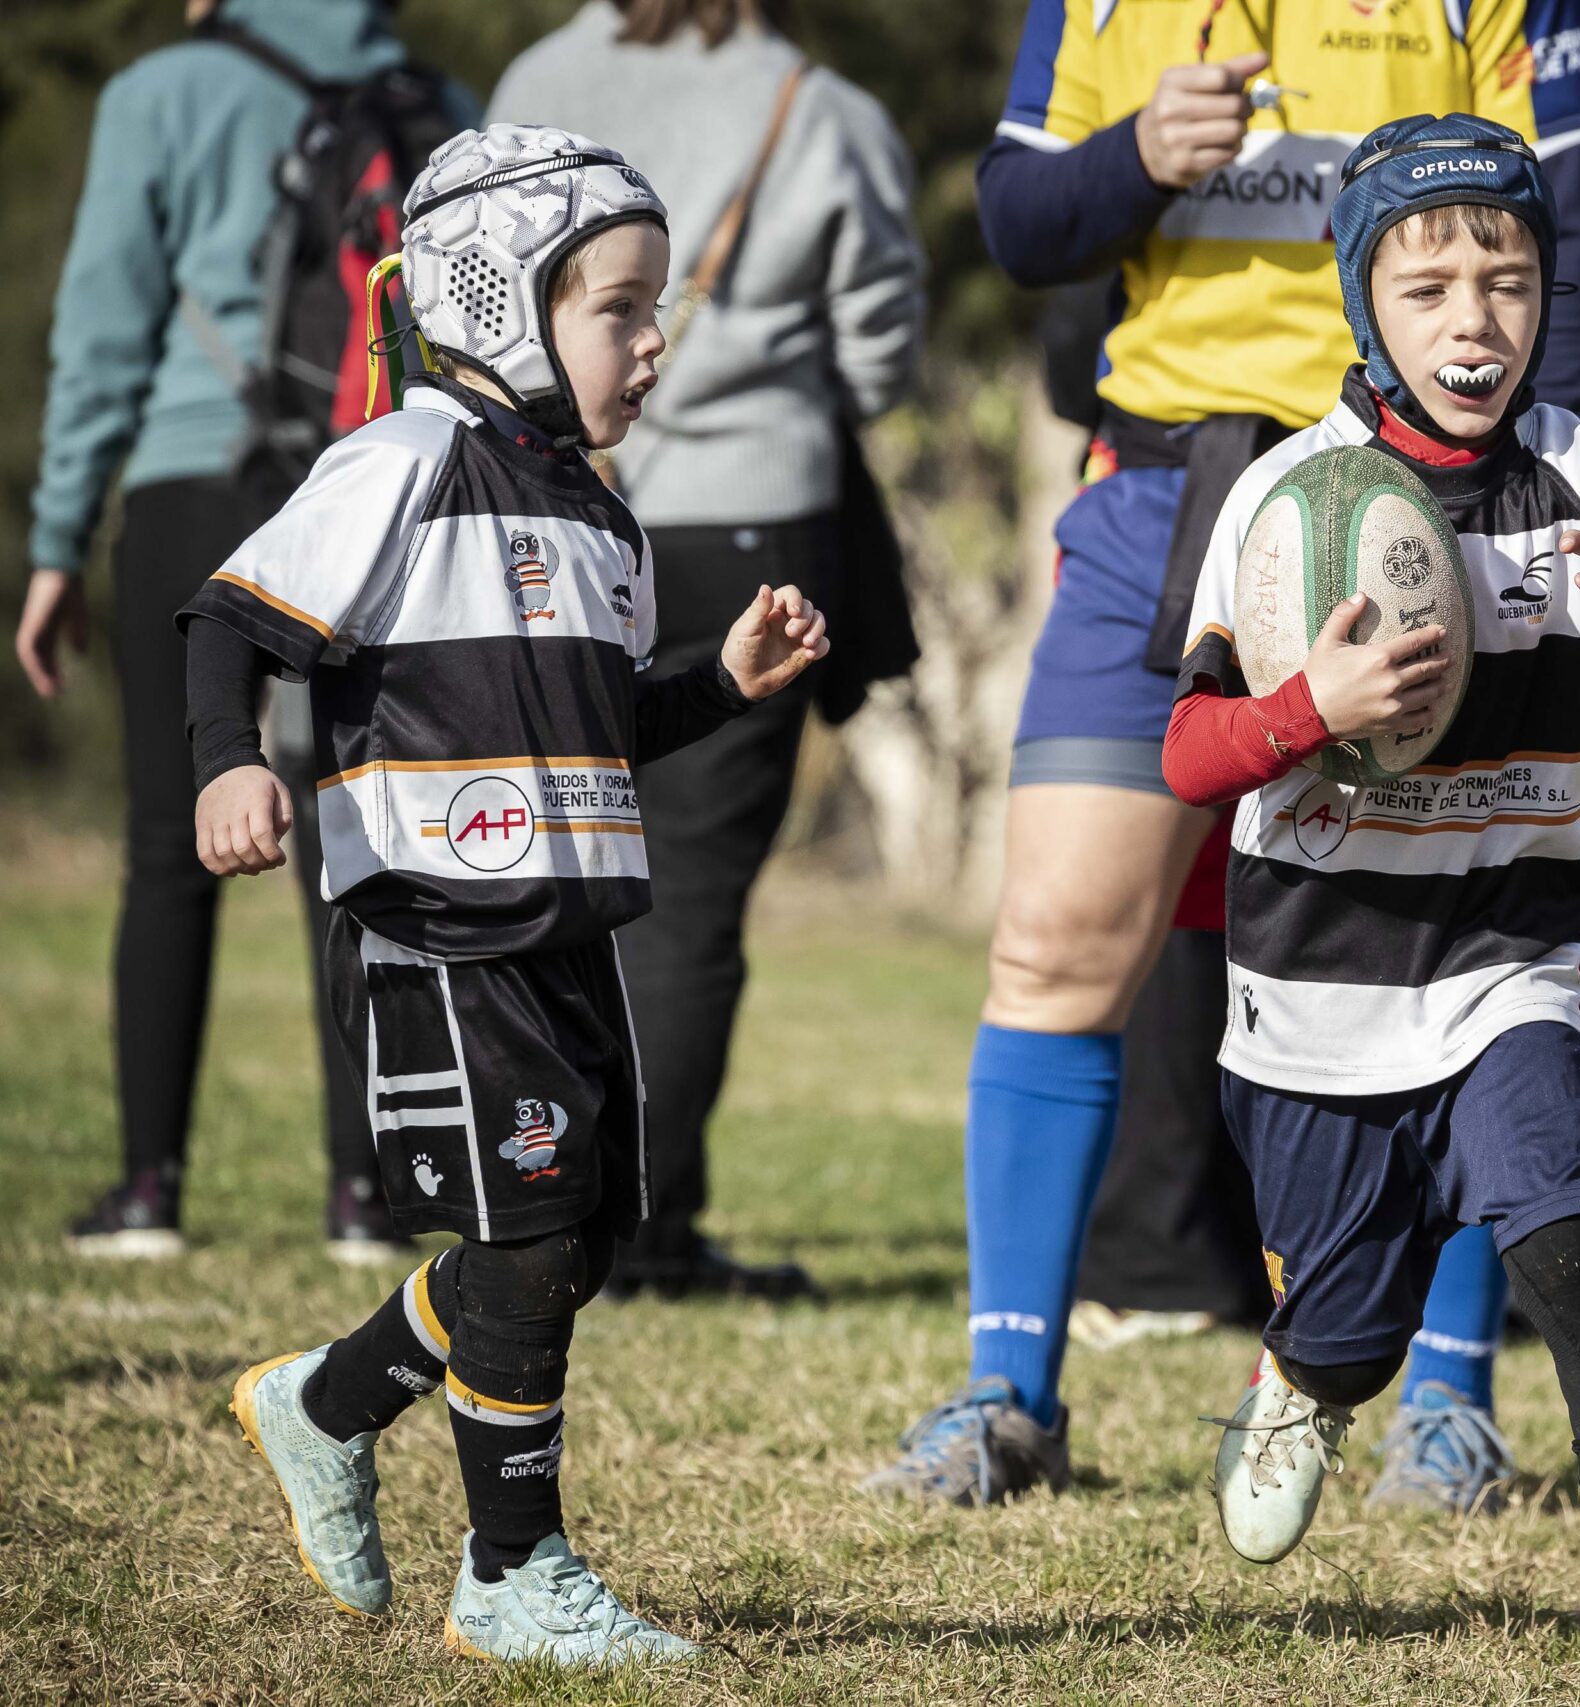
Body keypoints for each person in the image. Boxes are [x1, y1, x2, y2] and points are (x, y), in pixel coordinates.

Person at [865, 0, 1580, 1506]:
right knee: (1061, 937)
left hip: (1437, 502)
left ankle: (1447, 1407)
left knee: (1460, 953)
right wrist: (1137, 153)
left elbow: (1578, 236)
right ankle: (1008, 1392)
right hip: (1171, 488)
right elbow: (1019, 223)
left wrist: (1525, 505)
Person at [200, 127, 830, 1665]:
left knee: (580, 1236)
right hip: (443, 928)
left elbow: (606, 727)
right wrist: (229, 759)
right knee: (532, 1240)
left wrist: (725, 685)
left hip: (572, 939)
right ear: (495, 303)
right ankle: (511, 1568)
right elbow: (228, 613)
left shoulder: (606, 520)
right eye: (619, 307)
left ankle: (327, 1403)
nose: (654, 338)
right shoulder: (397, 465)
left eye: (655, 306)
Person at [1168, 114, 1580, 1707]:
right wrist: (1314, 701)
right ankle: (1305, 1374)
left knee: (1568, 1230)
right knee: (1353, 1321)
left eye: (1505, 279)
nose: (1473, 319)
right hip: (1313, 997)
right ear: (1365, 305)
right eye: (1427, 287)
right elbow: (1189, 753)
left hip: (1509, 960)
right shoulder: (1284, 493)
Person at [21, 0, 475, 1262]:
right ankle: (369, 1193)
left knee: (173, 844)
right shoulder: (437, 103)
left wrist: (58, 541)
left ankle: (150, 1192)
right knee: (362, 848)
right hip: (375, 484)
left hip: (197, 478)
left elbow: (103, 337)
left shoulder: (162, 93)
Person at [488, 0, 927, 1300]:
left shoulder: (532, 77)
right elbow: (884, 354)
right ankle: (643, 1224)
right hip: (752, 518)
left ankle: (533, 1192)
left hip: (562, 506)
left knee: (549, 852)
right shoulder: (822, 109)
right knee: (687, 895)